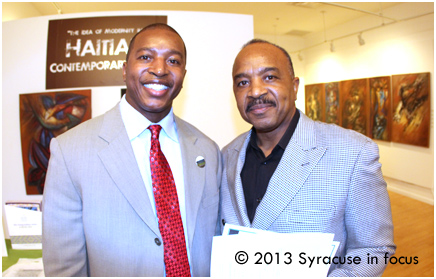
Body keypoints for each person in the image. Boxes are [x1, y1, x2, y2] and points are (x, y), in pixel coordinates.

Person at [42, 23, 222, 277]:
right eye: (146, 57)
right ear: (125, 70)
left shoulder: (207, 150)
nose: (159, 69)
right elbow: (64, 266)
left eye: (173, 60)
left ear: (183, 75)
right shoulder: (70, 150)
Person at [219, 39, 396, 276]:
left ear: (294, 87)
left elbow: (374, 249)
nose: (255, 91)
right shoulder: (226, 155)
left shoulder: (354, 153)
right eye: (243, 82)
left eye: (270, 77)